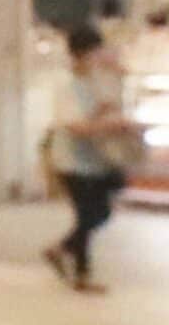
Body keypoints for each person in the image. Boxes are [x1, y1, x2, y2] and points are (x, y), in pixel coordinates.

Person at [46, 24, 140, 294]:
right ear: (79, 54)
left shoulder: (98, 80)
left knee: (96, 213)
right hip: (72, 161)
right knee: (91, 214)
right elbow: (74, 127)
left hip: (99, 159)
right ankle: (76, 267)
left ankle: (68, 258)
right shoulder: (66, 85)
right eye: (93, 53)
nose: (98, 57)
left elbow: (112, 106)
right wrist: (107, 124)